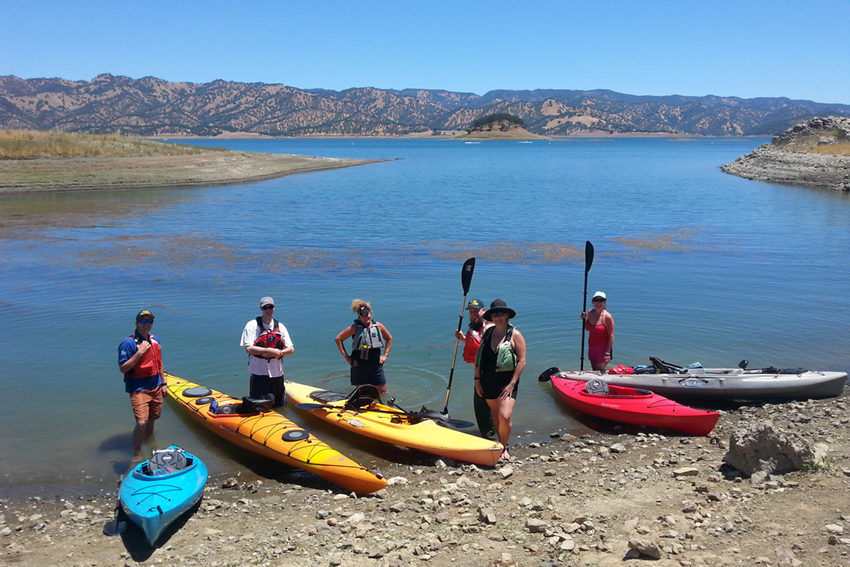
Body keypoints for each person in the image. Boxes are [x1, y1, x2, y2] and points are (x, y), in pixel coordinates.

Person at [474, 299, 526, 460]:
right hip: (487, 381)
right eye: (494, 315)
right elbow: (479, 359)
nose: (497, 317)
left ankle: (504, 446)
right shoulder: (487, 333)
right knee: (496, 415)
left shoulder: (515, 335)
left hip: (507, 383)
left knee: (505, 416)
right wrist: (477, 381)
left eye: (501, 314)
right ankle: (499, 444)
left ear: (507, 316)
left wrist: (512, 383)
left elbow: (522, 361)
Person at [118, 310, 167, 457]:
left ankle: (150, 447)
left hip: (156, 386)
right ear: (137, 323)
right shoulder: (128, 343)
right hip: (139, 389)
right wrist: (139, 352)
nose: (147, 324)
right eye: (143, 321)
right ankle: (137, 453)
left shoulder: (155, 339)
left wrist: (164, 384)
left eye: (149, 321)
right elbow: (123, 368)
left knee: (152, 419)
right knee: (141, 423)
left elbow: (159, 363)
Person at [240, 296, 294, 407]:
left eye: (270, 307)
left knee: (279, 404)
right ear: (261, 309)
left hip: (277, 373)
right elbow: (249, 348)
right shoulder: (251, 325)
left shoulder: (280, 326)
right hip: (259, 372)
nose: (268, 310)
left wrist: (279, 353)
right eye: (265, 308)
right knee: (258, 404)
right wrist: (267, 350)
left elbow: (291, 349)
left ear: (274, 308)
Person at [455, 298, 497, 440]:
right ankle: (490, 435)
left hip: (489, 374)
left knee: (484, 407)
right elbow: (478, 345)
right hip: (480, 373)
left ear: (484, 311)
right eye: (471, 311)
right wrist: (463, 339)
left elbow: (486, 349)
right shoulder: (475, 328)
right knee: (482, 407)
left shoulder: (489, 328)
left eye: (476, 311)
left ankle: (491, 438)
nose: (473, 314)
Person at [335, 299, 393, 395]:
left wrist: (385, 355)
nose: (366, 318)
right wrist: (347, 357)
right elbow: (338, 339)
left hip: (375, 364)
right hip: (358, 365)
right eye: (363, 316)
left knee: (382, 392)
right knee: (363, 393)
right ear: (359, 317)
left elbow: (389, 338)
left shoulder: (378, 326)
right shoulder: (355, 328)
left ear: (371, 313)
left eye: (367, 315)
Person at [581, 291, 615, 372]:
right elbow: (587, 328)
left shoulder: (607, 317)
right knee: (594, 371)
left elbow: (611, 336)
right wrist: (584, 319)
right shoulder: (590, 313)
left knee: (599, 371)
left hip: (603, 349)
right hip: (592, 347)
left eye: (601, 300)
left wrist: (607, 353)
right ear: (593, 302)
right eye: (596, 300)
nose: (598, 303)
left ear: (605, 302)